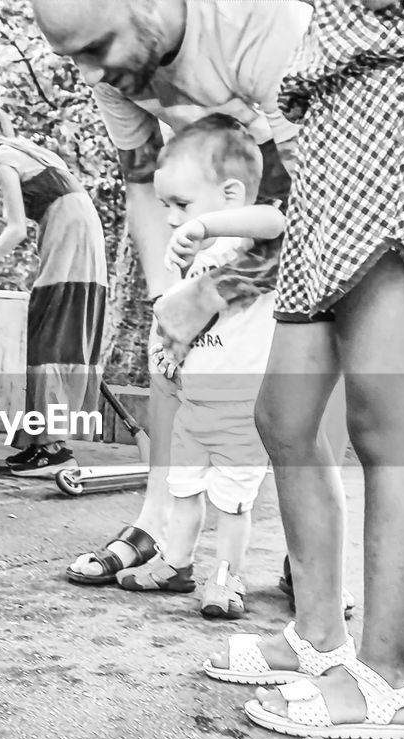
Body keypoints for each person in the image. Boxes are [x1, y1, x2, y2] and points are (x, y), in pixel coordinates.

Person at [204, 0, 404, 739]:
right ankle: (316, 635)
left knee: (381, 417)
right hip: (335, 124)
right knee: (284, 415)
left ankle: (387, 678)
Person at [32, 0, 350, 605]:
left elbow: (324, 203)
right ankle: (158, 529)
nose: (91, 76)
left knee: (309, 342)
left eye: (97, 51)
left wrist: (213, 290)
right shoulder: (108, 62)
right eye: (74, 58)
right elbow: (143, 181)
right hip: (207, 202)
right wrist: (169, 303)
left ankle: (309, 547)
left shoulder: (260, 24)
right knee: (172, 343)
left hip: (305, 196)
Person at [115, 115, 282, 619]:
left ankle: (227, 578)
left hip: (240, 404)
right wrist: (171, 353)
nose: (171, 218)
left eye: (180, 205)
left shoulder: (244, 241)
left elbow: (276, 222)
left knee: (233, 501)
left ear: (231, 194)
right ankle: (176, 563)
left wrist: (206, 225)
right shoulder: (193, 252)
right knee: (183, 489)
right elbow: (191, 324)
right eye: (166, 205)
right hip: (196, 399)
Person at [0, 100, 107, 478]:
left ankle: (54, 449)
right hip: (79, 233)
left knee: (50, 336)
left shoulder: (5, 155)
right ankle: (43, 443)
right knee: (57, 333)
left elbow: (16, 228)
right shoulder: (26, 149)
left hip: (70, 236)